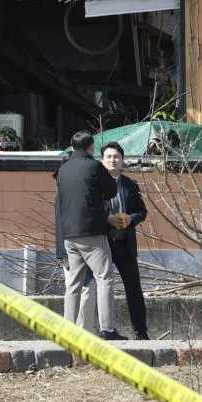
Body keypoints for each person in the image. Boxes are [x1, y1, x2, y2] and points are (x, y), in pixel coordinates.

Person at [55, 130, 126, 340]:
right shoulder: (94, 166)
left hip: (69, 235)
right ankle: (108, 328)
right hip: (92, 232)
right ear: (91, 147)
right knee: (104, 278)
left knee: (74, 283)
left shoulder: (63, 169)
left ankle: (68, 329)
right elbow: (112, 190)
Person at [101, 142, 149, 340]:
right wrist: (107, 220)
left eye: (116, 157)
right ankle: (103, 330)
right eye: (109, 156)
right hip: (102, 243)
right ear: (102, 161)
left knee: (134, 289)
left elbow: (142, 211)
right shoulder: (95, 184)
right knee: (101, 287)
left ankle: (141, 332)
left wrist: (131, 219)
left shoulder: (130, 184)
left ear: (122, 161)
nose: (113, 160)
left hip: (125, 244)